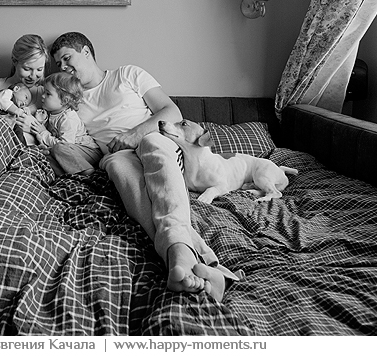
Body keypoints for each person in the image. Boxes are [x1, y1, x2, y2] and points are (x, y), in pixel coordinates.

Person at [48, 32, 237, 301]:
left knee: (152, 147)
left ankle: (182, 256)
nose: (63, 67)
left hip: (152, 139)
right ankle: (186, 259)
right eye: (59, 64)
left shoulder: (127, 74)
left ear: (86, 51)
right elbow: (25, 92)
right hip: (118, 156)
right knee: (124, 176)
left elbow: (172, 111)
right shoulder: (70, 99)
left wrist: (135, 134)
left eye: (67, 58)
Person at [0, 34, 49, 143]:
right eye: (27, 69)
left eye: (39, 69)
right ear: (15, 61)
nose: (33, 76)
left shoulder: (46, 94)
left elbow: (54, 137)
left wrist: (33, 128)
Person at [31, 71, 103, 176]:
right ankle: (65, 175)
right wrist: (41, 121)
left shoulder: (68, 118)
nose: (42, 96)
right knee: (45, 155)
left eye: (48, 94)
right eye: (43, 92)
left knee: (58, 148)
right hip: (68, 151)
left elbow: (65, 144)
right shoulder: (51, 113)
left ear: (64, 101)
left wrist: (44, 133)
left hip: (88, 152)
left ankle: (88, 173)